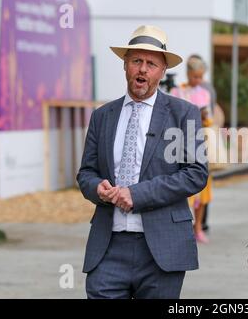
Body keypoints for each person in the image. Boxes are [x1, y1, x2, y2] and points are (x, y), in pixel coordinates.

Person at [76, 25, 208, 299]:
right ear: (125, 65)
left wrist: (137, 194)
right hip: (108, 246)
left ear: (162, 71)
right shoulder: (102, 116)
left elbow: (195, 173)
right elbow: (86, 172)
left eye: (151, 63)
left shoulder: (184, 114)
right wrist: (96, 189)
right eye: (136, 61)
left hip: (162, 250)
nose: (143, 69)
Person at [171, 55, 213, 243]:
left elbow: (209, 118)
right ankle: (183, 227)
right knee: (182, 188)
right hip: (178, 144)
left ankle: (198, 227)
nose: (198, 80)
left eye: (200, 76)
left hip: (199, 142)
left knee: (202, 189)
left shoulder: (204, 94)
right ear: (188, 73)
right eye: (195, 76)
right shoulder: (176, 92)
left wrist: (204, 117)